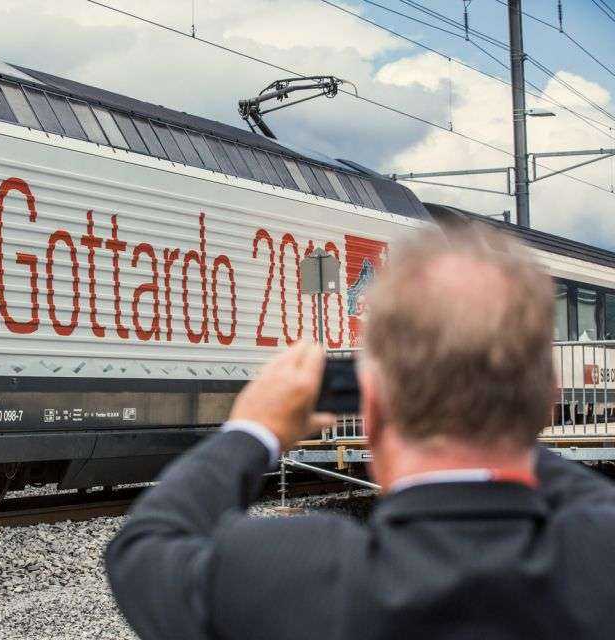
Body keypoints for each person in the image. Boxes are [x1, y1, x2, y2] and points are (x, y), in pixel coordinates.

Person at [105, 227, 615, 640]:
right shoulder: (599, 557)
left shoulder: (279, 573)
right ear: (549, 395)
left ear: (371, 405)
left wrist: (252, 431)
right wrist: (502, 413)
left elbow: (144, 546)